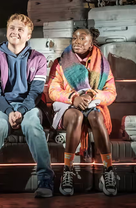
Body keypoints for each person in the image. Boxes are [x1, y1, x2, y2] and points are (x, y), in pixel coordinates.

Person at [0, 13, 55, 198]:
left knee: (33, 125)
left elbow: (36, 92)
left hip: (29, 106)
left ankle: (46, 181)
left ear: (28, 35)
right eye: (12, 28)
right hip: (1, 107)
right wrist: (9, 111)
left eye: (20, 29)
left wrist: (21, 111)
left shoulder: (38, 59)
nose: (15, 32)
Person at [48, 27, 118, 196]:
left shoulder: (103, 64)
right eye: (74, 38)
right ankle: (67, 170)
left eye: (82, 38)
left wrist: (93, 94)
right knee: (76, 116)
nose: (77, 41)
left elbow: (111, 92)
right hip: (68, 105)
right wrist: (73, 98)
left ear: (91, 43)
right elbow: (53, 90)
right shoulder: (61, 62)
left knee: (96, 116)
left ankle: (108, 170)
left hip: (92, 104)